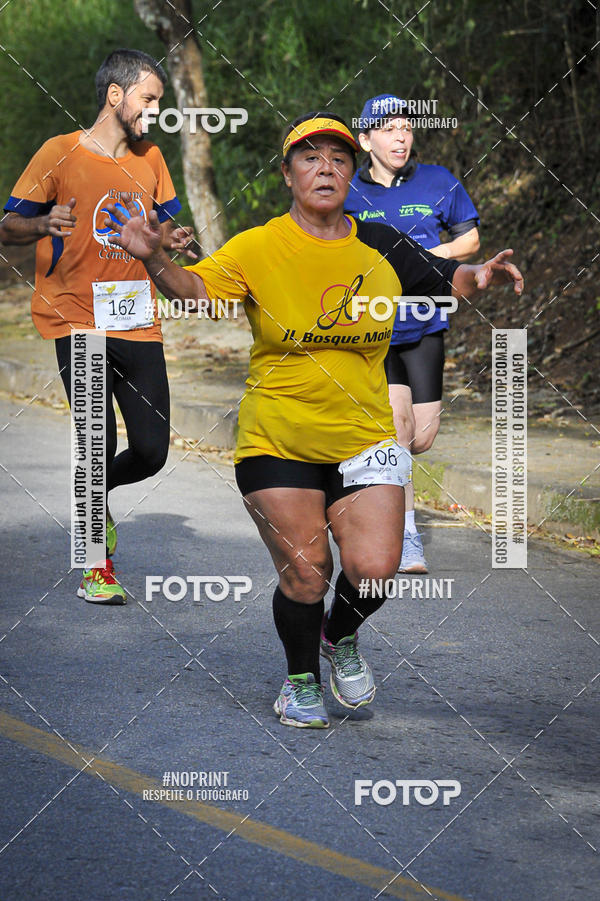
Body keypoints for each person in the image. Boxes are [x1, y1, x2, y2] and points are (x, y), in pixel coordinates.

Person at [105, 113, 522, 728]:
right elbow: (194, 290)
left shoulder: (379, 244)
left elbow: (443, 276)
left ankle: (339, 636)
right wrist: (154, 263)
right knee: (306, 571)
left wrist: (476, 276)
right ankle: (299, 680)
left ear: (352, 174)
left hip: (364, 436)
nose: (325, 167)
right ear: (287, 173)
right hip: (278, 436)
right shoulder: (258, 246)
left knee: (376, 571)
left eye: (338, 158)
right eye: (309, 157)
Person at [0, 49, 194, 604]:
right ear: (117, 95)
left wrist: (171, 240)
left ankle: (92, 496)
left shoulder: (151, 157)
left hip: (135, 317)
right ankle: (96, 565)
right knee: (96, 441)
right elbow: (8, 226)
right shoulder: (58, 153)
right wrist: (42, 222)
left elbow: (167, 224)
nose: (154, 111)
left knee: (153, 449)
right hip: (74, 317)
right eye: (149, 99)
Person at [345, 94, 481, 574]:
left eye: (406, 127)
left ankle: (365, 479)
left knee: (421, 437)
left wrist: (425, 261)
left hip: (426, 321)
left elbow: (471, 240)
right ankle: (405, 537)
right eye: (388, 129)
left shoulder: (438, 181)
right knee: (397, 430)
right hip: (372, 329)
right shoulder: (349, 191)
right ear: (365, 140)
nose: (401, 136)